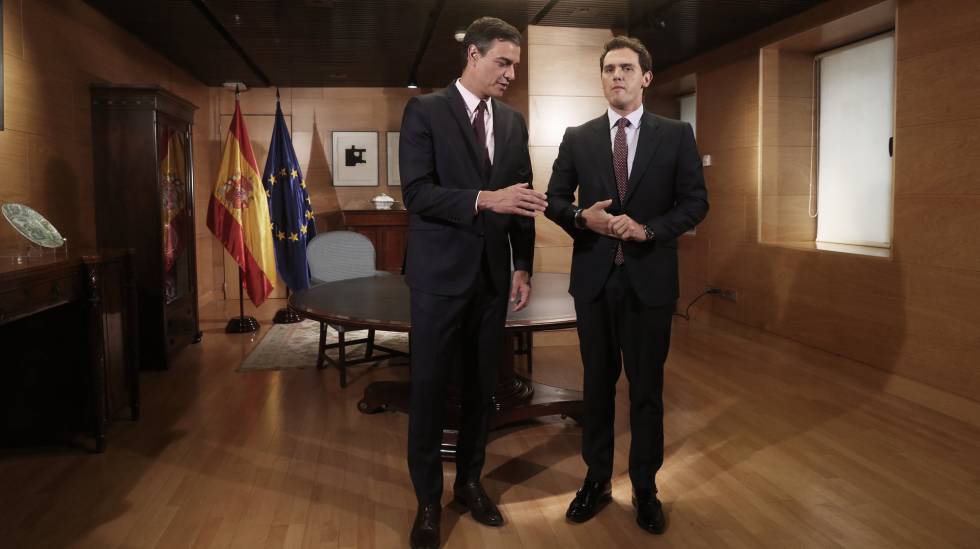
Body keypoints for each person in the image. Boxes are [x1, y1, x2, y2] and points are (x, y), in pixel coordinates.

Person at [544, 35, 708, 535]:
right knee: (596, 387)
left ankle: (645, 486)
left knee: (646, 390)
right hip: (594, 282)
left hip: (650, 283)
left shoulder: (676, 134)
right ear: (602, 78)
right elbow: (553, 199)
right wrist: (581, 217)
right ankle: (595, 480)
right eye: (609, 69)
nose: (617, 76)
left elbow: (695, 203)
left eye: (626, 68)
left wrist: (649, 230)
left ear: (646, 77)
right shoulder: (579, 136)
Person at [398, 16, 548, 549]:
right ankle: (426, 503)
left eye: (515, 66)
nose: (510, 74)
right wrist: (485, 199)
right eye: (502, 62)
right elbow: (416, 193)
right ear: (473, 56)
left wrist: (523, 264)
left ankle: (468, 485)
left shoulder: (512, 121)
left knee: (483, 391)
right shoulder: (426, 111)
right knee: (431, 391)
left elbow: (524, 200)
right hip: (438, 279)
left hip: (491, 278)